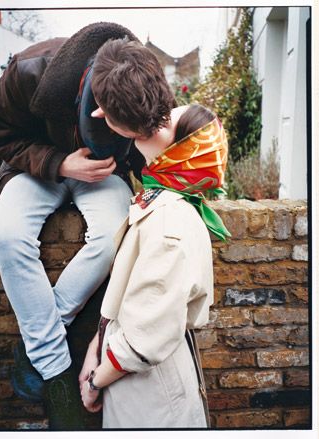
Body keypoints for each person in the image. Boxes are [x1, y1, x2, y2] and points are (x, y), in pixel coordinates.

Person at [0, 23, 175, 430]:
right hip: (34, 169)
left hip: (103, 178)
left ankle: (39, 345)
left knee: (115, 237)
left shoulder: (146, 84)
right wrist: (59, 163)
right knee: (7, 236)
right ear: (100, 111)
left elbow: (155, 151)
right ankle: (58, 373)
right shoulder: (27, 70)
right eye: (131, 134)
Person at [79, 104, 231, 428]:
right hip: (135, 381)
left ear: (180, 152)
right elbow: (126, 296)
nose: (153, 122)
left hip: (153, 399)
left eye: (165, 122)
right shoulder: (160, 198)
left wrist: (94, 383)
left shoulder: (168, 223)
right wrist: (96, 345)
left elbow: (141, 343)